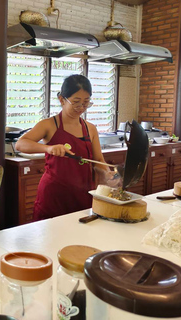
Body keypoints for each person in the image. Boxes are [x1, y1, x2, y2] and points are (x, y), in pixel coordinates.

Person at [15, 74, 114, 221]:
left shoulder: (90, 129)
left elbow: (98, 159)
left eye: (86, 103)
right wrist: (48, 148)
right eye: (76, 102)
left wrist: (107, 173)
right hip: (54, 196)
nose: (81, 108)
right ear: (62, 99)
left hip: (82, 195)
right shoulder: (49, 125)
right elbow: (20, 144)